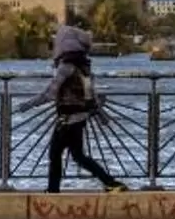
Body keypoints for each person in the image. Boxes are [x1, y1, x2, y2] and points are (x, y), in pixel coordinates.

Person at [45, 34, 127, 193]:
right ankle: (111, 183)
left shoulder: (66, 67)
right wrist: (99, 113)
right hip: (78, 118)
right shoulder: (83, 68)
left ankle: (53, 190)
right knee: (78, 156)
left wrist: (29, 104)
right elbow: (90, 94)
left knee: (56, 154)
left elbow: (51, 92)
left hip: (67, 118)